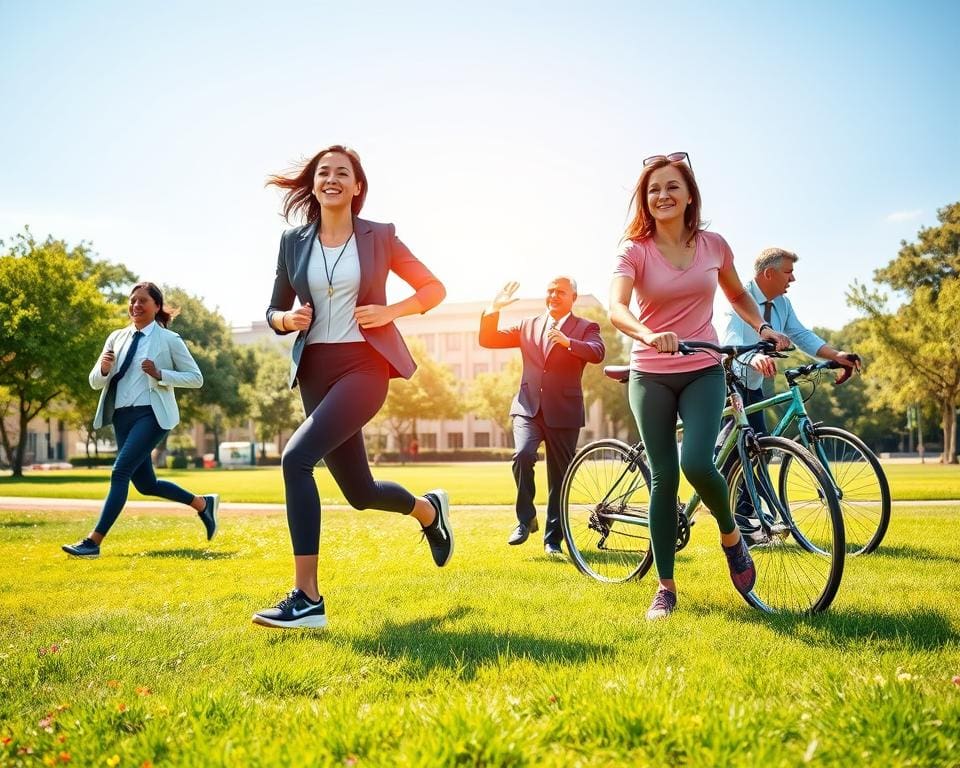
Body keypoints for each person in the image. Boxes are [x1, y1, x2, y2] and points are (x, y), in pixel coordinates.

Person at [252, 144, 451, 630]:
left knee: (295, 459)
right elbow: (272, 310)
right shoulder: (293, 242)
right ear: (314, 184)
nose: (332, 179)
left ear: (357, 187)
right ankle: (428, 511)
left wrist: (390, 312)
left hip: (364, 366)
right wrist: (286, 318)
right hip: (315, 369)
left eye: (343, 173)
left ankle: (307, 599)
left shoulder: (379, 237)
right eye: (324, 172)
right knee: (359, 492)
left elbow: (433, 289)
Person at [608, 152, 790, 620]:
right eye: (653, 190)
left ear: (689, 195)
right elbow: (617, 307)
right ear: (644, 201)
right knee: (664, 478)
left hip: (703, 367)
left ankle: (732, 537)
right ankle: (665, 587)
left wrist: (763, 327)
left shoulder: (714, 245)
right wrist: (647, 334)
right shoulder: (634, 250)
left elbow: (737, 294)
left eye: (672, 187)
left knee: (697, 462)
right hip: (650, 372)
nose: (662, 196)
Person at [62, 282, 218, 558]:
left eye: (142, 301)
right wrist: (104, 369)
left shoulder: (169, 340)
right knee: (146, 485)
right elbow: (95, 382)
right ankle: (202, 504)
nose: (136, 305)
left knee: (119, 472)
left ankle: (93, 542)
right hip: (122, 416)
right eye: (133, 301)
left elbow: (196, 378)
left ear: (156, 306)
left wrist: (161, 374)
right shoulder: (116, 337)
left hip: (152, 415)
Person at [721, 247, 860, 535]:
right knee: (737, 452)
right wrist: (752, 357)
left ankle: (743, 516)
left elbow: (801, 334)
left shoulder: (782, 304)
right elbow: (730, 337)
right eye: (788, 272)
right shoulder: (738, 296)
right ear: (768, 273)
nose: (793, 279)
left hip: (753, 385)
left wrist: (836, 355)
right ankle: (737, 514)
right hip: (725, 382)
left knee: (759, 450)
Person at [479, 277, 605, 556]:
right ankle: (525, 519)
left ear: (574, 296)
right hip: (528, 407)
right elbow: (488, 339)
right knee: (522, 455)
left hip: (564, 412)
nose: (553, 296)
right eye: (550, 291)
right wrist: (493, 308)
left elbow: (598, 352)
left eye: (560, 292)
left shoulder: (586, 328)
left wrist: (569, 342)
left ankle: (553, 541)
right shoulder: (528, 325)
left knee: (559, 479)